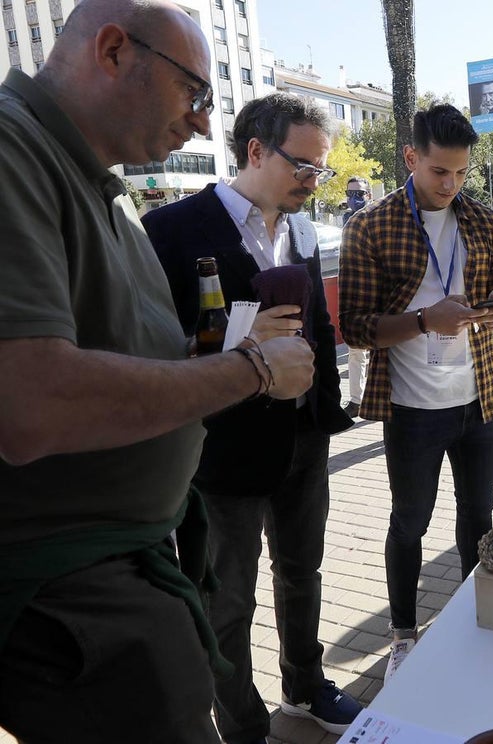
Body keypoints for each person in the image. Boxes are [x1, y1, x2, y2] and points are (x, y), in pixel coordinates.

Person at [0, 2, 315, 741]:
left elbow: (132, 350)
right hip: (73, 592)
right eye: (196, 94)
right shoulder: (14, 151)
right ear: (113, 51)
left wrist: (221, 356)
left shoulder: (95, 183)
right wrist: (251, 370)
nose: (205, 124)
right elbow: (29, 403)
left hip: (120, 572)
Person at [143, 93, 361, 742]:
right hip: (220, 455)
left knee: (304, 574)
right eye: (303, 165)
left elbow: (316, 327)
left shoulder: (298, 228)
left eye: (321, 170)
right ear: (256, 151)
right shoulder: (172, 231)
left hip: (302, 442)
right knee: (227, 602)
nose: (313, 182)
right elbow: (153, 347)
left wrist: (326, 414)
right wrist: (242, 339)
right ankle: (243, 727)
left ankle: (305, 687)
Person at [338, 104, 493, 682]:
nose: (452, 184)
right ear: (411, 157)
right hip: (412, 410)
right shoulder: (370, 225)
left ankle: (474, 618)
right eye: (441, 171)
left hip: (480, 404)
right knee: (409, 523)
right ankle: (401, 636)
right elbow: (355, 327)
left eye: (462, 173)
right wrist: (424, 322)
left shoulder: (485, 223)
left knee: (478, 517)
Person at [342, 175, 374, 418]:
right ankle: (356, 399)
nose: (355, 199)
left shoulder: (379, 220)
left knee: (383, 350)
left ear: (369, 195)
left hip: (378, 297)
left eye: (360, 194)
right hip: (354, 297)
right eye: (351, 193)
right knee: (355, 350)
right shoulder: (344, 222)